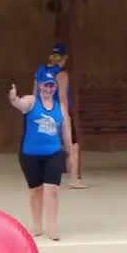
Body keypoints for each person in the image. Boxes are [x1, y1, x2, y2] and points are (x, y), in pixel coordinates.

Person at [8, 67, 73, 241]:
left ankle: (52, 227)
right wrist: (13, 98)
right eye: (45, 85)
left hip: (53, 153)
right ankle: (37, 225)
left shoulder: (61, 108)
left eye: (52, 86)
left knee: (52, 190)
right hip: (30, 155)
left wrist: (69, 153)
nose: (48, 89)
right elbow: (19, 104)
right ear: (40, 85)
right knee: (35, 191)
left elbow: (66, 132)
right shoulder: (31, 101)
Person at [40, 43, 86, 189]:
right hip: (59, 111)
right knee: (73, 146)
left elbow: (35, 94)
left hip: (44, 111)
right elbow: (62, 97)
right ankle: (73, 179)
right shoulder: (61, 74)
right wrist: (65, 115)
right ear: (64, 58)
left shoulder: (40, 71)